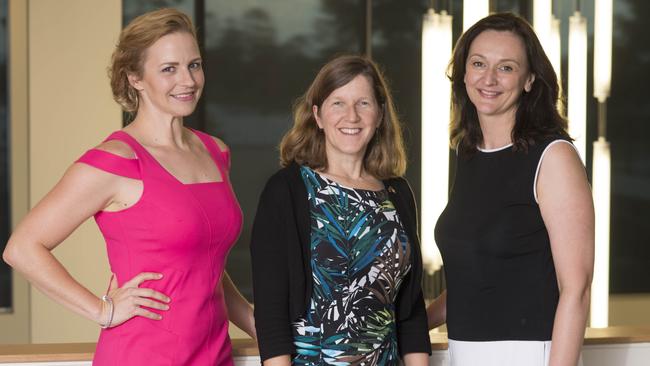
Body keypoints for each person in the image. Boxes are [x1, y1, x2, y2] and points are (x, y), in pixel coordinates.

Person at [2, 8, 255, 365]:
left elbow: (203, 264)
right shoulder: (115, 161)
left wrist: (255, 323)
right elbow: (22, 247)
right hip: (142, 354)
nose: (188, 80)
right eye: (169, 69)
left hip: (213, 354)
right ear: (135, 77)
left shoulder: (215, 152)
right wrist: (102, 310)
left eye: (194, 65)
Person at [426, 12, 594, 366]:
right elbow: (475, 279)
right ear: (464, 73)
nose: (489, 78)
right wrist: (409, 325)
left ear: (530, 79)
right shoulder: (468, 153)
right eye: (478, 63)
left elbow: (576, 290)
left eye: (506, 67)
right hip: (464, 352)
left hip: (530, 353)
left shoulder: (553, 156)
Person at [250, 55, 431, 366]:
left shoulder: (398, 193)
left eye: (363, 103)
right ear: (317, 116)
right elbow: (271, 311)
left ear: (380, 114)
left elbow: (410, 311)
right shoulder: (287, 190)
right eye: (338, 103)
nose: (352, 116)